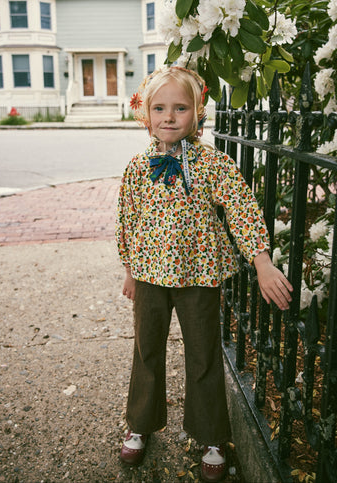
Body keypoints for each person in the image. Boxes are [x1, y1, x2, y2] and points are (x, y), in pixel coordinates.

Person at [115, 66, 293, 482]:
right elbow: (127, 220)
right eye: (160, 108)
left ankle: (211, 435)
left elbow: (242, 207)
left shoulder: (213, 163)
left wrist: (261, 260)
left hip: (199, 275)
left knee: (203, 354)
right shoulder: (138, 168)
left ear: (197, 113)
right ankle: (140, 423)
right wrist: (129, 269)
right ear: (145, 113)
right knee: (146, 351)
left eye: (180, 108)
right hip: (150, 276)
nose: (170, 117)